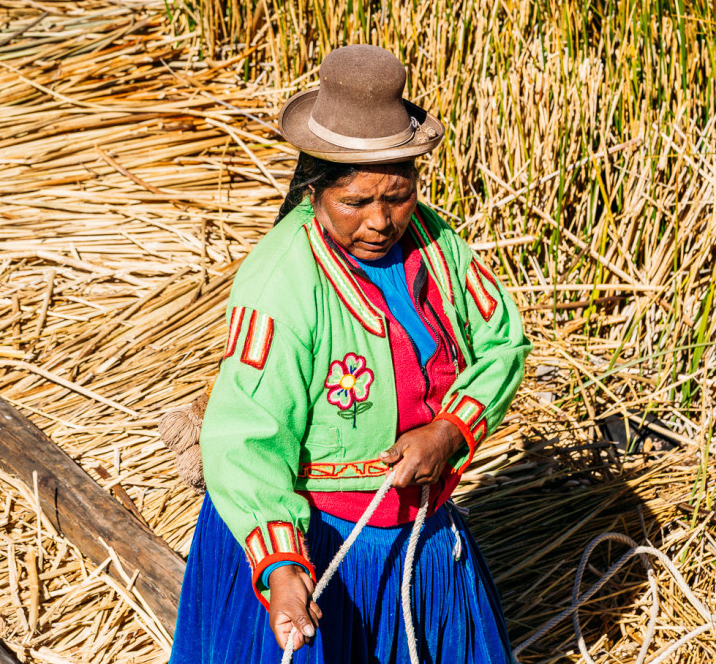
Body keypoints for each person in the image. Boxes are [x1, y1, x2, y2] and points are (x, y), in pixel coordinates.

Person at [169, 45, 530, 663]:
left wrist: (448, 431)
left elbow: (503, 343)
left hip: (418, 536)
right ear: (315, 190)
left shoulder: (437, 245)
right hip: (314, 542)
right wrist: (282, 568)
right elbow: (243, 439)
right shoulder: (283, 283)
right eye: (356, 202)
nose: (382, 221)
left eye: (398, 194)